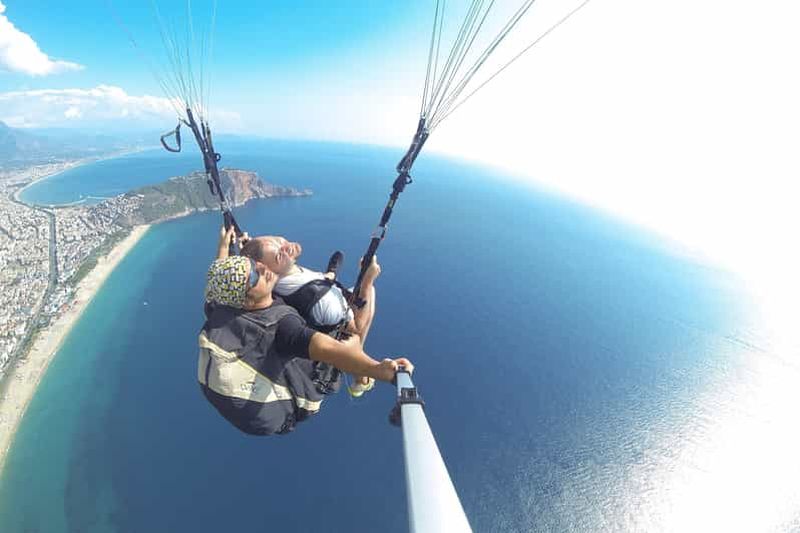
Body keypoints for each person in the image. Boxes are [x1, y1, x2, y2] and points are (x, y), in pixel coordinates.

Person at [199, 226, 412, 436]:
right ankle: (360, 380)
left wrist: (224, 246)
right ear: (245, 300)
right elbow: (330, 350)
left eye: (254, 266)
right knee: (354, 331)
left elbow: (221, 281)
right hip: (292, 402)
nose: (262, 270)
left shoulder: (223, 305)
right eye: (254, 277)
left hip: (233, 380)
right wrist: (378, 370)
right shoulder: (281, 326)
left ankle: (327, 277)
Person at [239, 233, 379, 397]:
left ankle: (328, 277)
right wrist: (368, 281)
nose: (286, 247)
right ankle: (359, 374)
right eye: (278, 255)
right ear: (267, 271)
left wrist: (242, 246)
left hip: (320, 298)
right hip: (334, 335)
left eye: (280, 241)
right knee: (371, 293)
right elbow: (357, 327)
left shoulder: (278, 277)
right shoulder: (322, 302)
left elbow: (262, 258)